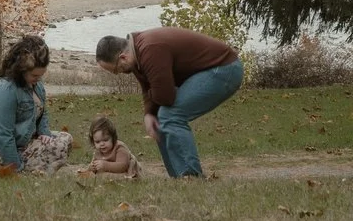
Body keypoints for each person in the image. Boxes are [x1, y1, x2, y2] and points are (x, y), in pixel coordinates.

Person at [94, 26, 242, 179]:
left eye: (117, 70)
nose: (120, 73)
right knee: (159, 117)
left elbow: (165, 96)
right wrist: (149, 114)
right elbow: (148, 86)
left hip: (224, 69)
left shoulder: (150, 49)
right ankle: (178, 177)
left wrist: (155, 95)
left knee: (170, 115)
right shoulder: (136, 52)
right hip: (210, 71)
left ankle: (191, 177)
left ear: (123, 57)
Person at [0, 34, 72, 174]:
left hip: (22, 141)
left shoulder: (37, 86)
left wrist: (44, 133)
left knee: (65, 138)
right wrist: (16, 169)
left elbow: (42, 112)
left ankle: (39, 164)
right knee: (58, 148)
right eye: (34, 76)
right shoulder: (5, 91)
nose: (38, 79)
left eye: (41, 75)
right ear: (21, 71)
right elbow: (4, 135)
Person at [78, 113, 141, 180]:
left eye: (105, 140)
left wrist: (105, 165)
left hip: (126, 171)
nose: (102, 144)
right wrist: (92, 167)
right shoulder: (98, 151)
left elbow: (123, 166)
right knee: (95, 176)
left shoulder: (120, 148)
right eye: (97, 142)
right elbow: (94, 164)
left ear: (113, 138)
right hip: (110, 171)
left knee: (117, 177)